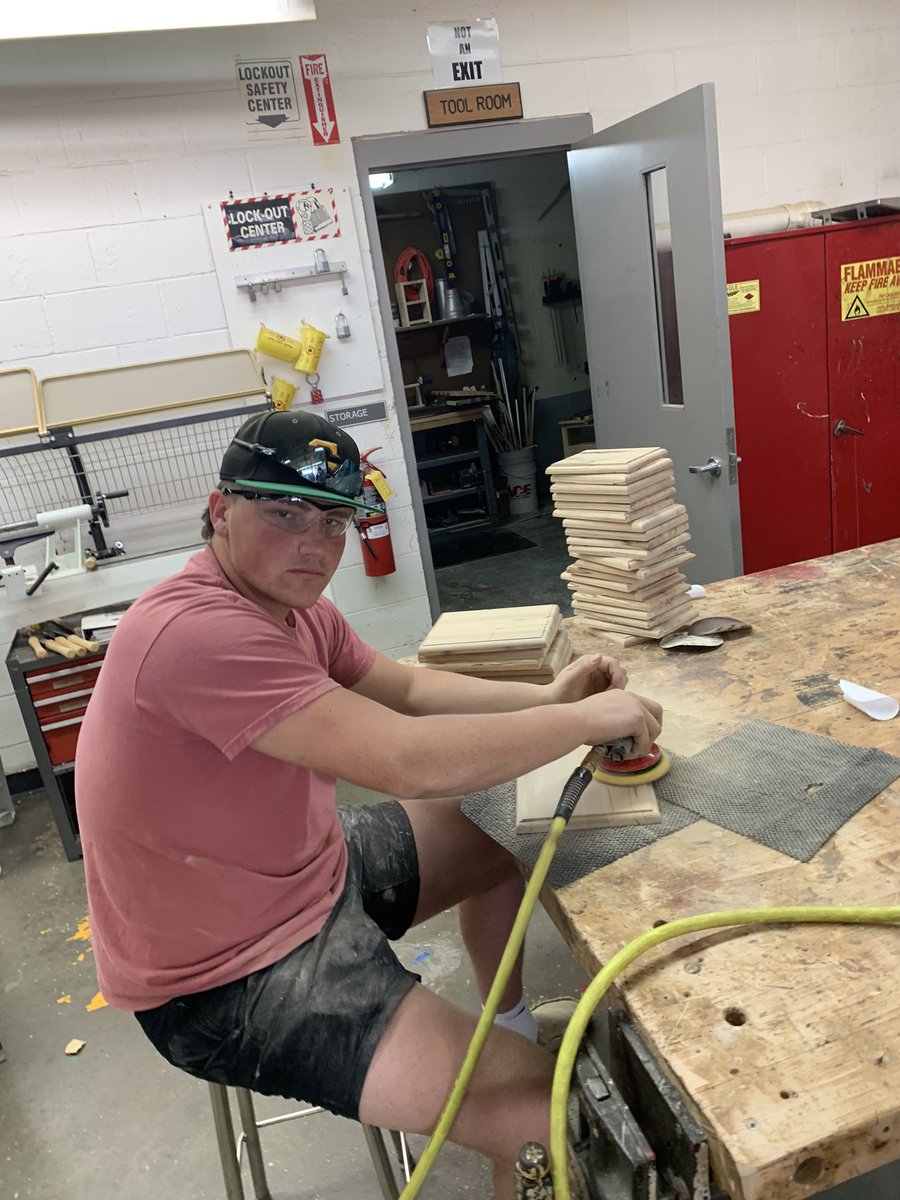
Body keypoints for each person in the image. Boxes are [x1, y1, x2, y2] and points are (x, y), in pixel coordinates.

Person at [76, 409, 663, 1197]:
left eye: (334, 521)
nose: (315, 545)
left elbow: (411, 688)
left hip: (300, 869)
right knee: (540, 1111)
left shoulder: (296, 609)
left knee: (501, 828)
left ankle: (508, 1025)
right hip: (225, 974)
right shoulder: (196, 632)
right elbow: (403, 760)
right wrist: (581, 721)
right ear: (221, 510)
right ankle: (505, 1096)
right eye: (283, 513)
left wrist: (544, 694)